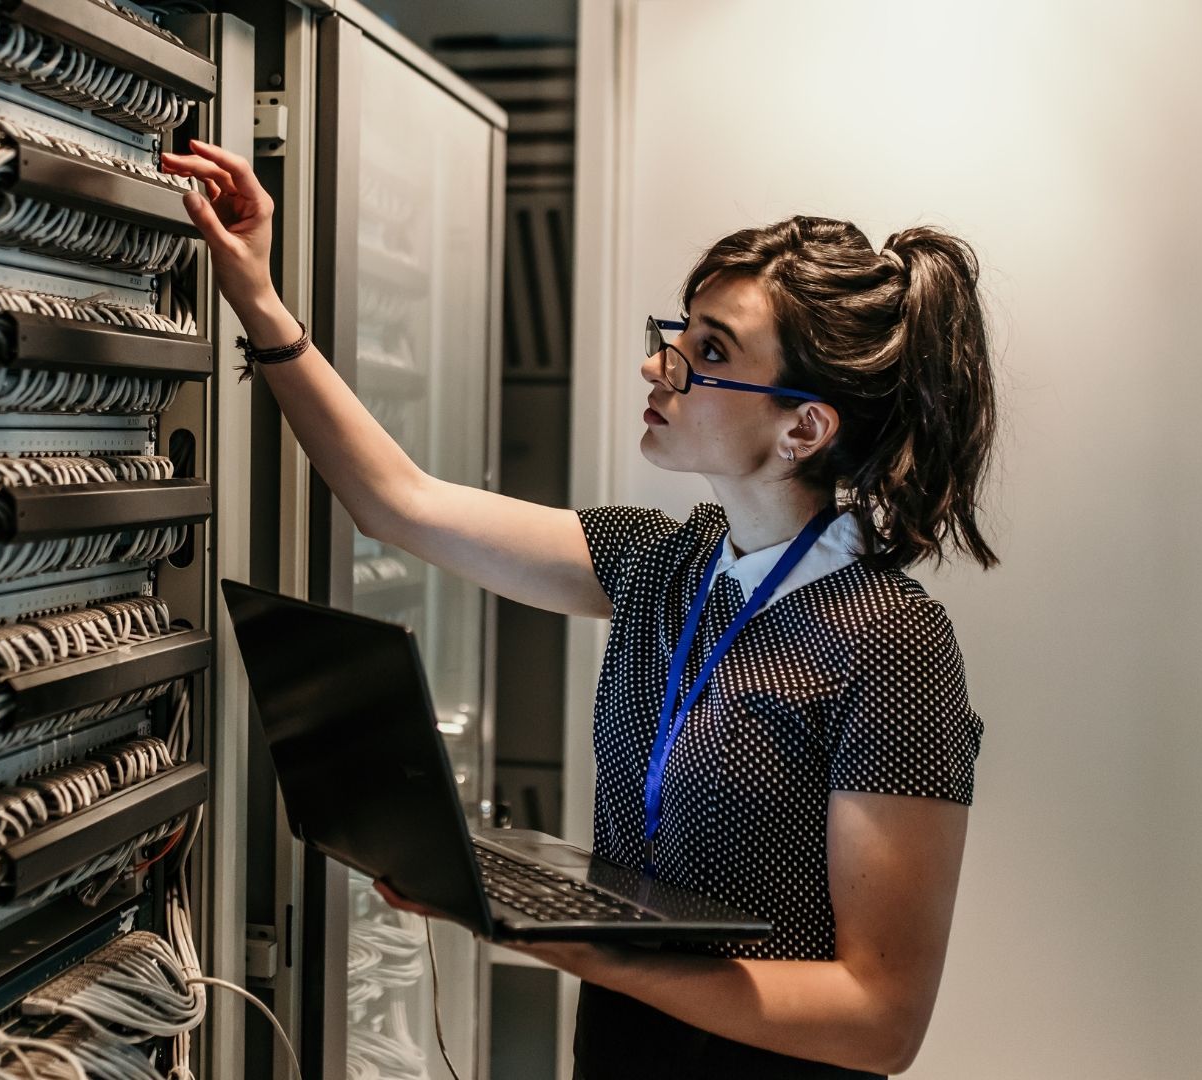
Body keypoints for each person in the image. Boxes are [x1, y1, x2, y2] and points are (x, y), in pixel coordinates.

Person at [164, 139, 994, 1079]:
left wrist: (578, 944)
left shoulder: (892, 646)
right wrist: (260, 303)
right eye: (677, 333)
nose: (659, 367)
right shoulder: (663, 564)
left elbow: (878, 1017)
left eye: (709, 351)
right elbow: (400, 503)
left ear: (804, 426)